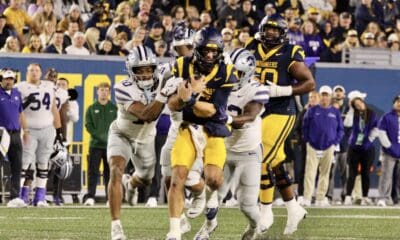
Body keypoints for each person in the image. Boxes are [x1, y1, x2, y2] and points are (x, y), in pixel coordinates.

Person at [245, 14, 315, 235]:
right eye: (268, 28)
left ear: (283, 32)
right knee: (275, 162)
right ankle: (293, 208)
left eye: (276, 30)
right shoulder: (251, 46)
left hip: (282, 111)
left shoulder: (290, 52)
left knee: (262, 156)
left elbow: (309, 83)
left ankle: (265, 211)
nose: (271, 33)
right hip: (258, 110)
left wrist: (282, 90)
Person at [165, 26, 237, 240]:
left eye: (214, 52)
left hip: (213, 129)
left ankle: (210, 197)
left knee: (214, 179)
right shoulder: (181, 65)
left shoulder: (227, 71)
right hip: (187, 126)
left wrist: (190, 98)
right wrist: (183, 99)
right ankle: (175, 232)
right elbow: (171, 104)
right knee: (177, 177)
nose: (210, 56)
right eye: (206, 51)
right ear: (197, 49)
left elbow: (214, 110)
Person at [197, 48, 270, 239]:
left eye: (236, 72)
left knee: (246, 205)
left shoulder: (257, 88)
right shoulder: (218, 85)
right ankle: (209, 225)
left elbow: (249, 116)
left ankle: (254, 227)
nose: (231, 75)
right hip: (223, 148)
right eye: (228, 70)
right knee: (212, 194)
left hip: (248, 152)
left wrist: (224, 118)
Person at [108, 45, 175, 240]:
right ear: (131, 71)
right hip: (122, 134)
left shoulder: (163, 73)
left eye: (148, 69)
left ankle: (130, 185)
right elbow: (147, 115)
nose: (145, 74)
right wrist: (163, 94)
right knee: (115, 170)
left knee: (145, 178)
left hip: (146, 139)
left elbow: (184, 62)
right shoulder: (122, 88)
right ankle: (116, 226)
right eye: (139, 70)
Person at [16, 63, 62, 207]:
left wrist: (59, 131)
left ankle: (40, 196)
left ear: (41, 73)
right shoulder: (20, 87)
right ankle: (20, 196)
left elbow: (54, 107)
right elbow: (16, 109)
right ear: (27, 73)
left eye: (37, 70)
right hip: (28, 129)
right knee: (25, 163)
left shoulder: (49, 85)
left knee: (43, 163)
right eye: (31, 70)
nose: (34, 73)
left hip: (47, 128)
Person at [302, 86, 344, 207]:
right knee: (310, 173)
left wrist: (334, 143)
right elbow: (305, 127)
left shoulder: (335, 112)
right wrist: (308, 140)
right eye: (323, 95)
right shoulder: (312, 110)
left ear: (330, 97)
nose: (325, 97)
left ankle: (320, 197)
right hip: (313, 146)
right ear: (320, 96)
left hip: (329, 147)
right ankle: (307, 198)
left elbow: (340, 130)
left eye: (327, 95)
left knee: (325, 173)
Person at [83, 82, 117, 206]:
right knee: (93, 172)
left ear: (109, 93)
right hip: (95, 145)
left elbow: (117, 126)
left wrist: (110, 139)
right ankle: (90, 197)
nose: (103, 92)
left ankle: (110, 198)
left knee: (110, 173)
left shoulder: (114, 109)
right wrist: (100, 136)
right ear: (97, 92)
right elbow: (88, 125)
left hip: (110, 147)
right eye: (101, 90)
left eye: (106, 90)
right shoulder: (91, 108)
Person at [0, 69, 28, 208]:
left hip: (15, 133)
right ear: (1, 80)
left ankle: (15, 197)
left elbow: (20, 113)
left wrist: (26, 130)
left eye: (11, 79)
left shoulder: (17, 93)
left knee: (17, 166)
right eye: (6, 79)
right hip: (1, 133)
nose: (9, 81)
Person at [343, 96, 378, 206]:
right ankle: (348, 197)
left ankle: (365, 197)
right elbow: (347, 124)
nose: (359, 105)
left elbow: (376, 127)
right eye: (356, 105)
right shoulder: (354, 114)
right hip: (354, 148)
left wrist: (369, 139)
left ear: (363, 102)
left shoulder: (371, 113)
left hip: (367, 149)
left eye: (360, 103)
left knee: (365, 174)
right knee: (352, 174)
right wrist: (351, 109)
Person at [376, 95, 400, 207]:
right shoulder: (386, 117)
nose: (399, 103)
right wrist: (390, 147)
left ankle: (395, 198)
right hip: (389, 152)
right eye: (398, 101)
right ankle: (382, 198)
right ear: (394, 103)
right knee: (386, 175)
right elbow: (381, 133)